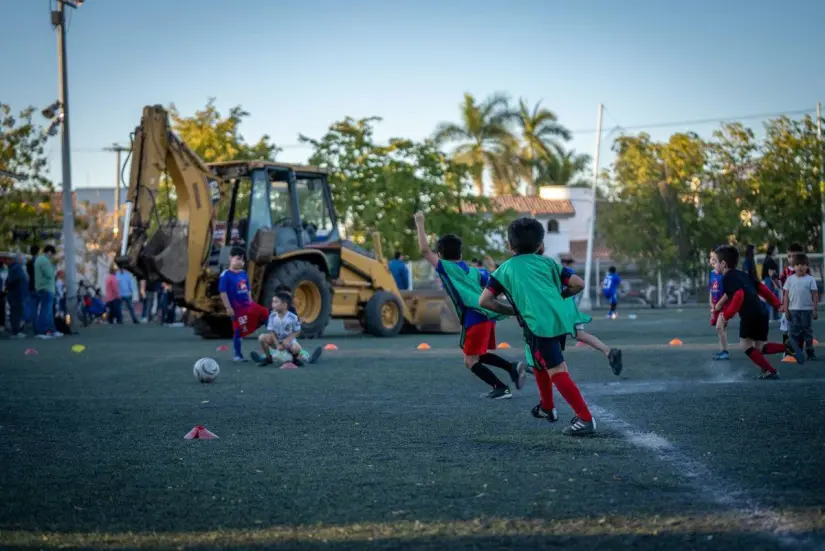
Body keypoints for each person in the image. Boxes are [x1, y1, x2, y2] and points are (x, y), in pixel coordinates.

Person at [480, 217, 595, 436]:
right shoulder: (549, 262)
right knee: (539, 363)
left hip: (537, 325)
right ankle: (547, 408)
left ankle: (585, 419)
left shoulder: (504, 270)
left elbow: (484, 301)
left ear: (509, 245)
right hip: (557, 321)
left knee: (557, 370)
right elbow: (578, 284)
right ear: (541, 245)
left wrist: (511, 310)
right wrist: (560, 296)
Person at [414, 211, 526, 400]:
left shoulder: (446, 268)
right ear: (460, 252)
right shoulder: (475, 272)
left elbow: (425, 251)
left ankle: (501, 387)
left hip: (474, 317)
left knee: (470, 360)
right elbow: (495, 284)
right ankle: (512, 368)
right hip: (487, 317)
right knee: (479, 354)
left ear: (440, 254)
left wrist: (420, 223)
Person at [713, 245, 784, 379]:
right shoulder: (742, 274)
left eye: (715, 261)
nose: (714, 264)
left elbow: (738, 295)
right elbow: (760, 287)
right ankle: (789, 348)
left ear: (723, 264)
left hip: (750, 314)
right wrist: (776, 304)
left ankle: (770, 370)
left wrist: (726, 316)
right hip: (761, 311)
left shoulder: (727, 278)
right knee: (760, 346)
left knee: (745, 345)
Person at [560, 257, 623, 374]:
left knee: (548, 339)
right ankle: (608, 352)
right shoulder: (564, 271)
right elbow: (577, 284)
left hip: (561, 307)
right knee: (580, 334)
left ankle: (555, 371)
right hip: (570, 306)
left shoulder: (555, 270)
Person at [218, 247, 270, 363]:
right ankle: (238, 355)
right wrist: (228, 307)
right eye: (238, 259)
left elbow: (248, 291)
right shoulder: (225, 275)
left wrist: (252, 303)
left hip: (248, 306)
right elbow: (223, 292)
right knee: (238, 331)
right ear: (230, 258)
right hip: (237, 309)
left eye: (242, 260)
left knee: (266, 314)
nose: (241, 262)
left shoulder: (243, 274)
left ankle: (275, 343)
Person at [251, 292, 322, 367]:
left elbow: (297, 330)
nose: (273, 304)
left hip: (289, 342)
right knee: (262, 337)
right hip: (277, 341)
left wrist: (288, 340)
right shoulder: (272, 316)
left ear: (284, 305)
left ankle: (297, 359)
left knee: (297, 349)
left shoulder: (292, 317)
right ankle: (268, 358)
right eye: (273, 301)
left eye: (276, 302)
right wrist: (277, 344)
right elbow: (271, 331)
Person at [782, 253, 819, 363]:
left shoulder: (810, 279)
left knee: (807, 330)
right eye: (797, 264)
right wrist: (786, 309)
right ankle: (796, 351)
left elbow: (815, 295)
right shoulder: (790, 279)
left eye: (803, 264)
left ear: (807, 266)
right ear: (793, 266)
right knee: (794, 331)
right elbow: (786, 296)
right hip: (793, 310)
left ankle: (809, 351)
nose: (800, 267)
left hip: (807, 310)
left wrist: (815, 309)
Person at [779, 243, 808, 358]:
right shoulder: (786, 271)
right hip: (787, 305)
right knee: (785, 329)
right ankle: (787, 350)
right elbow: (781, 285)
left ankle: (799, 350)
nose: (791, 259)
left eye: (793, 256)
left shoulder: (804, 271)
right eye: (789, 256)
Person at [34, 245, 60, 339]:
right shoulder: (44, 260)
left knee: (46, 311)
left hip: (41, 287)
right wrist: (54, 270)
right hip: (47, 288)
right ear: (49, 252)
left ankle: (50, 330)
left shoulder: (39, 259)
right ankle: (43, 331)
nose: (51, 257)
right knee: (46, 311)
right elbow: (49, 274)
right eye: (52, 255)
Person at [709, 249, 730, 360]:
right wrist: (711, 305)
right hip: (716, 305)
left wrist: (720, 304)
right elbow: (711, 290)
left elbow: (728, 292)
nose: (712, 261)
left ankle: (725, 351)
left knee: (719, 327)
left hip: (724, 305)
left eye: (714, 259)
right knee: (721, 329)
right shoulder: (711, 274)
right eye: (711, 258)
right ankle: (723, 350)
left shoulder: (724, 275)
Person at [5, 253, 27, 338]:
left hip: (15, 294)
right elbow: (11, 281)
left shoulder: (12, 268)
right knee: (16, 313)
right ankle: (16, 331)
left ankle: (15, 330)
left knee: (15, 312)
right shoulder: (16, 268)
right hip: (17, 294)